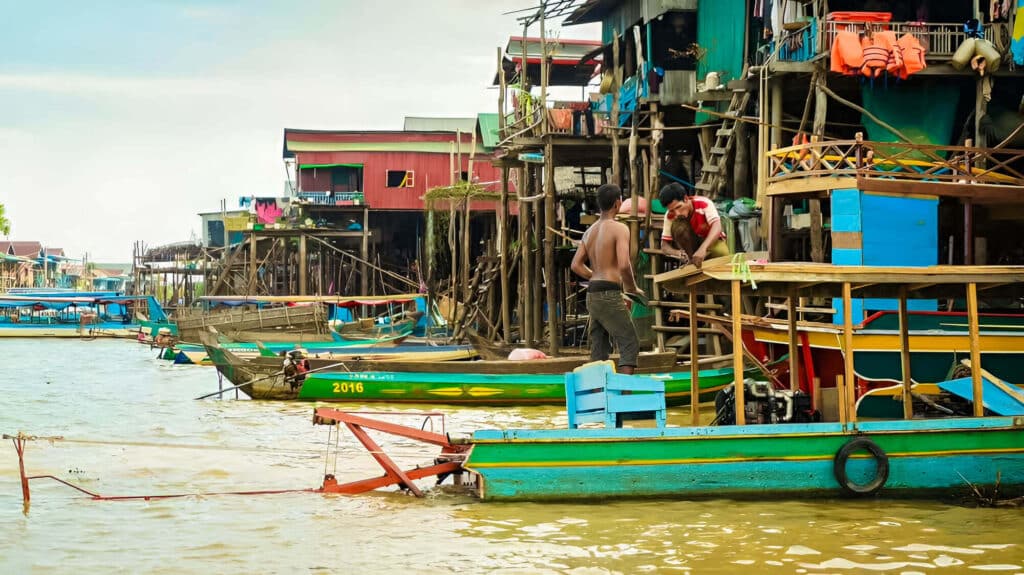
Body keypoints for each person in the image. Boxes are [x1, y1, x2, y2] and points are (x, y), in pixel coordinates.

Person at [570, 184, 644, 375]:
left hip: (592, 293)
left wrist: (594, 276)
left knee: (599, 349)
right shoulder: (620, 228)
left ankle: (598, 395)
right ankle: (623, 394)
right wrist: (632, 287)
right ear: (617, 203)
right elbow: (624, 265)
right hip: (609, 293)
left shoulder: (590, 231)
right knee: (629, 343)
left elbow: (576, 265)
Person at [658, 182, 730, 268]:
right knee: (679, 227)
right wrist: (678, 253)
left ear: (685, 199)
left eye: (678, 207)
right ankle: (691, 260)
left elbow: (717, 227)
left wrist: (702, 249)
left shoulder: (704, 203)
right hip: (691, 249)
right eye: (672, 210)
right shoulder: (669, 215)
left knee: (722, 252)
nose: (676, 213)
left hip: (711, 243)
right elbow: (664, 246)